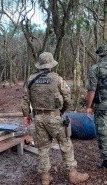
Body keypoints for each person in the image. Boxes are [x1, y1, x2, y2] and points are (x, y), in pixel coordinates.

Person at [21, 52, 89, 185]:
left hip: (39, 118)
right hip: (55, 118)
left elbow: (25, 99)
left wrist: (26, 115)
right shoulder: (57, 79)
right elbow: (67, 98)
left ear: (40, 65)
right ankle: (73, 175)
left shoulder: (30, 79)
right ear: (51, 65)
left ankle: (45, 179)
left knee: (43, 148)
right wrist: (61, 111)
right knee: (66, 145)